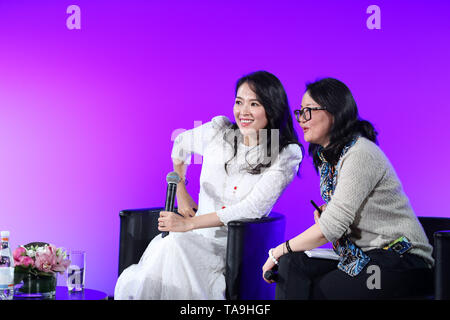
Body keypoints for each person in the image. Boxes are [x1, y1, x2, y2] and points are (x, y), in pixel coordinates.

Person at [114, 71, 303, 299]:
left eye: (254, 104)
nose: (243, 112)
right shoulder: (219, 132)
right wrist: (181, 191)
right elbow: (180, 145)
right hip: (190, 237)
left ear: (272, 108)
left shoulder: (286, 154)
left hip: (232, 248)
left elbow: (252, 209)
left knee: (175, 244)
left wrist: (189, 224)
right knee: (173, 244)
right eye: (238, 102)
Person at [262, 77, 434, 299]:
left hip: (403, 262)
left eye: (308, 111)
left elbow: (331, 228)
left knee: (319, 288)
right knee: (292, 265)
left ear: (334, 113)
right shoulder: (331, 159)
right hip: (366, 257)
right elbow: (338, 223)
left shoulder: (361, 153)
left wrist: (278, 251)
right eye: (300, 111)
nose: (301, 119)